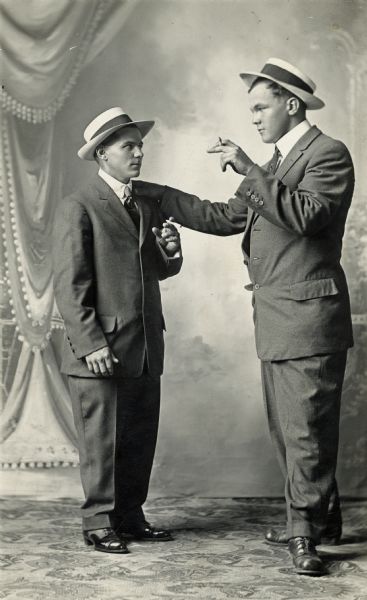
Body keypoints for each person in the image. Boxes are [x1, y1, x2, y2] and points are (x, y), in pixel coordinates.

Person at [136, 58, 355, 575]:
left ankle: (306, 534)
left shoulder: (328, 153)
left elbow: (307, 217)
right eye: (251, 109)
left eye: (261, 107)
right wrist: (157, 196)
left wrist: (250, 168)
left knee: (305, 432)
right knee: (291, 430)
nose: (253, 118)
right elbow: (225, 217)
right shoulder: (276, 165)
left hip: (308, 319)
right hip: (280, 318)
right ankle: (322, 520)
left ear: (291, 104)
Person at [52, 107, 182, 554]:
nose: (139, 152)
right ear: (102, 154)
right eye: (129, 146)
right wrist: (90, 345)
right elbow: (70, 286)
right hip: (100, 349)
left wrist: (171, 255)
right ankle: (98, 521)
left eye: (140, 145)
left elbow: (150, 272)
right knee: (101, 439)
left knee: (138, 436)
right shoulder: (79, 206)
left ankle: (129, 516)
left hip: (144, 344)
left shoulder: (140, 203)